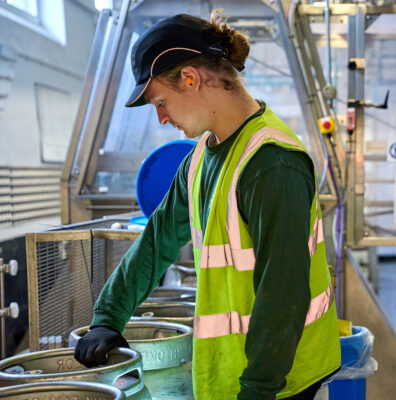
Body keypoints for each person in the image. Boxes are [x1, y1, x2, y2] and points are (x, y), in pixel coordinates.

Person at [74, 10, 341, 400]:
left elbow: (284, 293)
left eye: (160, 102)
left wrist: (259, 389)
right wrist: (109, 317)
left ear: (190, 79)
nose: (162, 118)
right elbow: (158, 239)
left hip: (282, 380)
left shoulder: (271, 162)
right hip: (232, 373)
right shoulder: (201, 156)